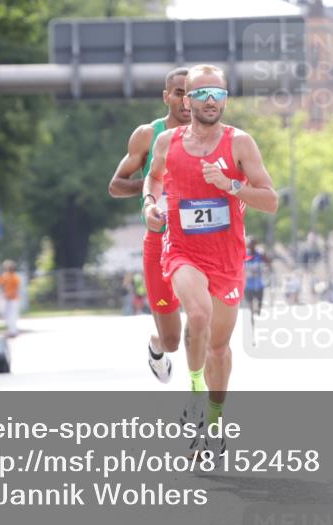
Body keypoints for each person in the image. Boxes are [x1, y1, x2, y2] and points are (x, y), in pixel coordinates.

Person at [143, 64, 278, 456]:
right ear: (187, 99)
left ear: (225, 100)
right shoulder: (167, 142)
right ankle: (196, 392)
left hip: (228, 257)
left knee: (220, 348)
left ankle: (216, 418)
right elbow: (153, 178)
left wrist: (231, 186)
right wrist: (151, 205)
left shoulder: (240, 144)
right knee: (197, 314)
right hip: (183, 250)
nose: (210, 102)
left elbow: (269, 200)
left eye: (217, 95)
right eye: (201, 95)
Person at [108, 67, 192, 383]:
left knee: (204, 321)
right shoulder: (148, 134)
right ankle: (156, 347)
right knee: (171, 340)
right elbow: (115, 185)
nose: (186, 101)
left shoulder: (212, 135)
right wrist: (152, 184)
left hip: (201, 243)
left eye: (192, 92)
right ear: (166, 96)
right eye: (179, 92)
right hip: (160, 240)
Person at [0, 260, 21, 337]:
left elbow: (16, 289)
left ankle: (13, 331)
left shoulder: (15, 277)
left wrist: (8, 295)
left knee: (13, 315)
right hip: (7, 299)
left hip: (13, 299)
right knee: (7, 316)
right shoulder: (5, 276)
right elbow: (0, 283)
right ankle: (10, 330)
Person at [244, 240, 267, 319]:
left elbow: (268, 261)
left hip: (259, 284)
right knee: (249, 304)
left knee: (260, 303)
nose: (250, 245)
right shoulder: (244, 255)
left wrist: (264, 254)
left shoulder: (259, 254)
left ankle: (258, 314)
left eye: (252, 243)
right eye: (249, 243)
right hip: (248, 285)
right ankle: (251, 318)